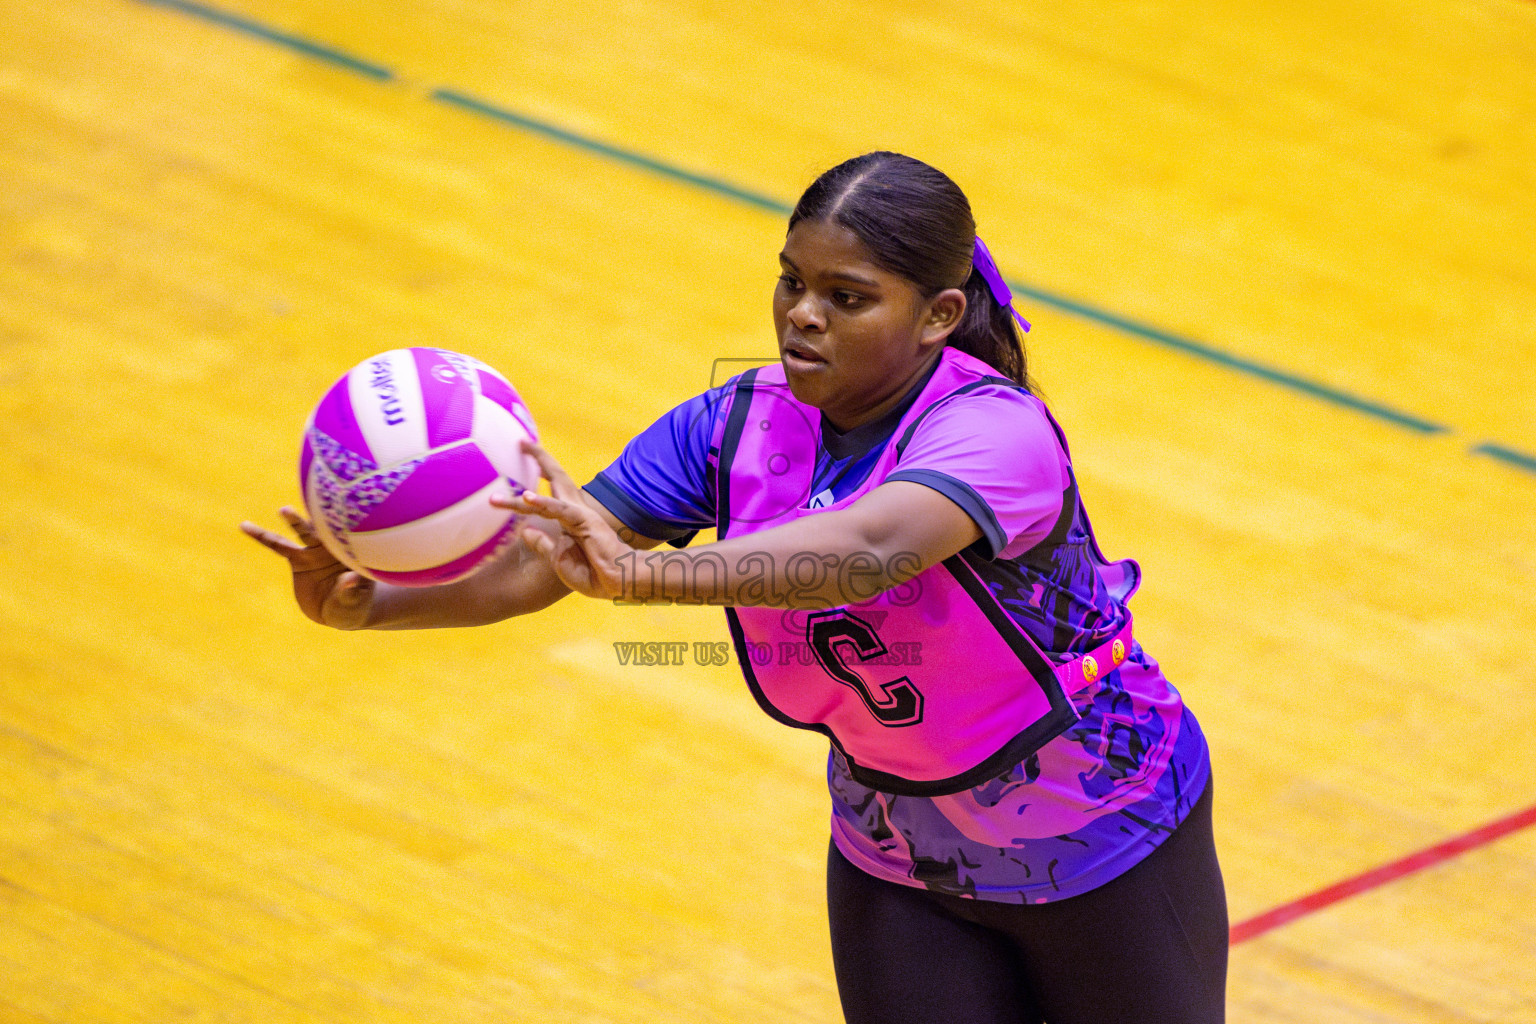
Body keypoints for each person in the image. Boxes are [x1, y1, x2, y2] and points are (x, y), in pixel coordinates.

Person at [244, 151, 1228, 1023]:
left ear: (937, 316)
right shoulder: (730, 424)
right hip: (899, 849)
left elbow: (870, 545)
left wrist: (647, 578)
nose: (803, 313)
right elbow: (554, 555)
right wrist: (377, 603)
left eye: (847, 296)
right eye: (793, 282)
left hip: (1105, 825)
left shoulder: (995, 431)